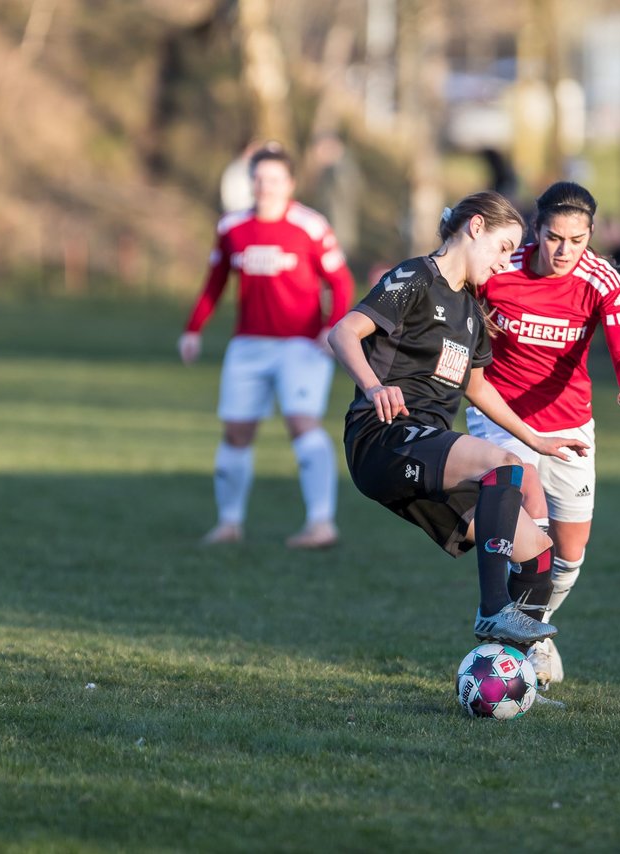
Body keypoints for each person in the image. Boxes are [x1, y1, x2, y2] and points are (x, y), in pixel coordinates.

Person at [328, 192, 590, 648]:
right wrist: (374, 387)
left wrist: (538, 440)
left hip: (426, 451)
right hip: (383, 437)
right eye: (503, 248)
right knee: (502, 466)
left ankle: (511, 678)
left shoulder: (470, 310)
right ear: (474, 228)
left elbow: (478, 387)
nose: (505, 262)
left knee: (538, 556)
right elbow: (343, 331)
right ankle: (493, 610)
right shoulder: (414, 277)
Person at [465, 182, 620, 690]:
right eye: (553, 237)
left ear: (591, 234)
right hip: (499, 414)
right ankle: (511, 641)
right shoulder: (500, 268)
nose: (565, 250)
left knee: (570, 553)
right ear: (536, 228)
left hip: (569, 423)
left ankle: (533, 632)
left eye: (577, 238)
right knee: (534, 528)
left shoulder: (601, 278)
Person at [179, 144, 355, 549]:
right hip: (248, 347)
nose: (266, 187)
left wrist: (332, 328)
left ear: (290, 184)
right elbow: (215, 282)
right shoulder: (232, 228)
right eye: (259, 179)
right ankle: (229, 522)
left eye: (274, 179)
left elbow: (341, 281)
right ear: (250, 181)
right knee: (237, 432)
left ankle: (321, 523)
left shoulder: (311, 226)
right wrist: (193, 329)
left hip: (301, 346)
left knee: (301, 423)